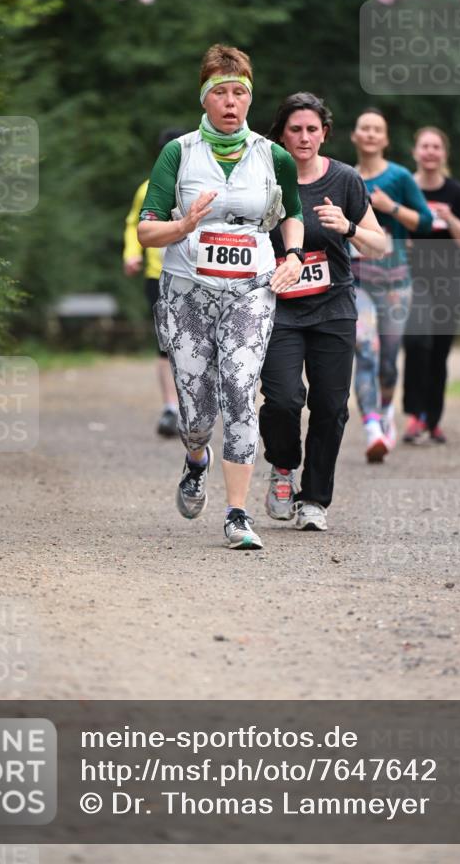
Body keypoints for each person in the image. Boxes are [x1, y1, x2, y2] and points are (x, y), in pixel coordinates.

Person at [137, 44, 304, 550]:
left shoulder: (272, 155)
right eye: (221, 93)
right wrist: (184, 224)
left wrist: (293, 254)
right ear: (204, 99)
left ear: (250, 99)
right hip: (188, 290)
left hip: (250, 289)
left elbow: (291, 211)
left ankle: (236, 514)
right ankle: (195, 459)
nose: (231, 102)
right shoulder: (179, 152)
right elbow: (147, 233)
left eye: (239, 93)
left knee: (239, 389)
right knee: (197, 412)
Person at [259, 93, 385, 530]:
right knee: (283, 399)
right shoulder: (264, 180)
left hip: (334, 307)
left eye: (312, 129)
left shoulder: (346, 180)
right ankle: (281, 467)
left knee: (331, 405)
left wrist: (348, 227)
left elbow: (380, 243)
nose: (304, 137)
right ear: (281, 134)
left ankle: (314, 499)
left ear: (325, 133)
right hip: (278, 309)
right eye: (295, 129)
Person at [350, 109, 433, 461]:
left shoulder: (398, 176)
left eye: (376, 130)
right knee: (364, 350)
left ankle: (385, 411)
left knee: (387, 362)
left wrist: (390, 207)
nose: (369, 134)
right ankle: (371, 427)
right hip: (357, 280)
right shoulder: (345, 177)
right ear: (354, 135)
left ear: (384, 139)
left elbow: (426, 222)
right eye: (364, 128)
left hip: (396, 281)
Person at [402, 127, 460, 444]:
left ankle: (433, 420)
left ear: (443, 153)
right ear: (415, 152)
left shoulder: (457, 193)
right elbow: (391, 231)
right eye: (424, 146)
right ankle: (414, 416)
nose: (430, 152)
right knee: (417, 345)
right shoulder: (405, 188)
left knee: (440, 351)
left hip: (449, 280)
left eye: (436, 147)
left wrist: (450, 217)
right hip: (413, 279)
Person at [123, 129, 185, 438]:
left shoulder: (198, 187)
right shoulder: (147, 188)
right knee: (165, 345)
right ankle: (170, 408)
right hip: (157, 275)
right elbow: (135, 223)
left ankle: (197, 405)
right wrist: (131, 253)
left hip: (194, 276)